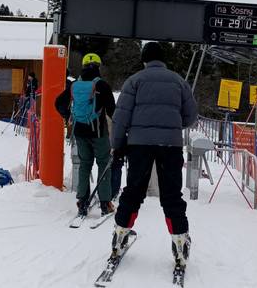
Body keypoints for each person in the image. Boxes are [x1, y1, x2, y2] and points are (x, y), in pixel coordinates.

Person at [109, 42, 198, 270]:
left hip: (139, 144)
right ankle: (180, 242)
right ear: (164, 59)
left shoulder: (134, 81)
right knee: (171, 195)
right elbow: (190, 116)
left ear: (144, 60)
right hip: (170, 145)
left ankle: (119, 237)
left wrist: (117, 145)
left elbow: (121, 118)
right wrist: (173, 125)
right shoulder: (179, 81)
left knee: (133, 192)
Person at [55, 53, 116, 217]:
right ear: (98, 66)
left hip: (79, 132)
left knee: (84, 165)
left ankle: (82, 201)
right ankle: (105, 203)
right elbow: (112, 111)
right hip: (98, 132)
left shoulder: (74, 85)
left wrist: (68, 116)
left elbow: (58, 103)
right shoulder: (102, 85)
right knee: (103, 164)